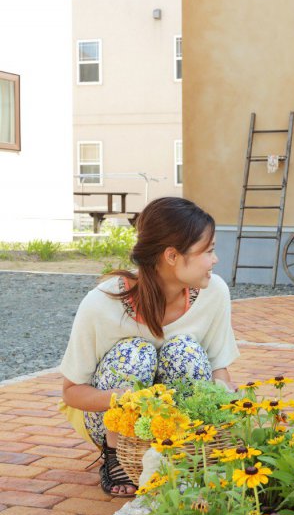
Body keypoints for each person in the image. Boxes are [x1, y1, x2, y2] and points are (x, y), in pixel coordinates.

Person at [59, 197, 239, 496]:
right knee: (135, 353)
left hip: (177, 422)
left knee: (184, 350)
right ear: (172, 255)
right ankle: (116, 456)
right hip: (111, 418)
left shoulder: (214, 292)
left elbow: (219, 368)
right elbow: (71, 391)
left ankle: (186, 449)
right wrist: (127, 399)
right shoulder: (101, 303)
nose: (215, 260)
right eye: (208, 251)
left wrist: (225, 399)